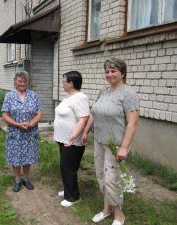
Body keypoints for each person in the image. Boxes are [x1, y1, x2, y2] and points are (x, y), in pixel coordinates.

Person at [81, 58, 140, 225]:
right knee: (101, 176)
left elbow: (133, 123)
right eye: (107, 71)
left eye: (113, 71)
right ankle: (107, 209)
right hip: (99, 140)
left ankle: (119, 215)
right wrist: (86, 130)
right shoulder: (104, 91)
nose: (109, 74)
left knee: (112, 179)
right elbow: (94, 113)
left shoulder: (128, 93)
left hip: (115, 144)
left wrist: (124, 147)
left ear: (122, 73)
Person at [53, 71, 90, 207]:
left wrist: (73, 136)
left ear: (71, 83)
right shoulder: (68, 97)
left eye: (64, 81)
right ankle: (68, 190)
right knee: (64, 166)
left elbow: (83, 118)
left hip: (72, 141)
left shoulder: (80, 98)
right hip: (63, 139)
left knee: (69, 168)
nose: (62, 83)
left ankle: (73, 197)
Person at [2, 71, 42, 192]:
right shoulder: (9, 96)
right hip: (15, 131)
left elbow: (39, 113)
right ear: (15, 82)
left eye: (24, 81)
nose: (22, 83)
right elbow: (5, 114)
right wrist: (17, 124)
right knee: (15, 155)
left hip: (30, 131)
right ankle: (17, 180)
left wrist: (31, 123)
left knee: (28, 155)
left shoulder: (33, 95)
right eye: (20, 81)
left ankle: (25, 178)